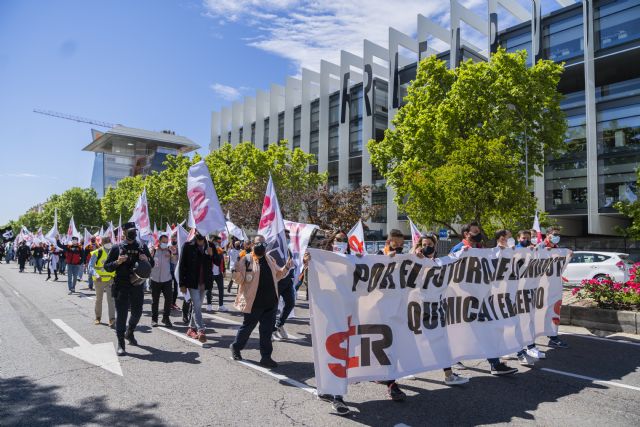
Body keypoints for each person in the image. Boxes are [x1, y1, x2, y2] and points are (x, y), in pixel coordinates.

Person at [450, 222, 518, 376]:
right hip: (466, 299)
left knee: (486, 329)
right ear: (466, 234)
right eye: (475, 231)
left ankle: (494, 363)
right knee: (463, 330)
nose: (478, 234)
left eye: (479, 231)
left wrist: (503, 252)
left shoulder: (481, 249)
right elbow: (451, 269)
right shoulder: (458, 249)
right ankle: (454, 358)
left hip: (482, 298)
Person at [412, 233, 470, 385]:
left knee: (440, 339)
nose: (426, 247)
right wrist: (414, 255)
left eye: (429, 244)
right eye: (423, 245)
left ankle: (448, 374)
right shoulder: (415, 260)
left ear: (435, 245)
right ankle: (407, 370)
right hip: (420, 306)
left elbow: (455, 258)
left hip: (437, 306)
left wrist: (464, 250)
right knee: (417, 339)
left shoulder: (440, 262)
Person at [230, 234, 292, 369]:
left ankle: (266, 357)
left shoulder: (269, 259)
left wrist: (286, 267)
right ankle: (236, 347)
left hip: (270, 303)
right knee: (247, 328)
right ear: (253, 245)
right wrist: (234, 270)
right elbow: (239, 280)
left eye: (264, 244)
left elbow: (278, 276)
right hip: (253, 303)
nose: (261, 246)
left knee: (266, 331)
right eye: (258, 243)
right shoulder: (245, 259)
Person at [104, 222, 154, 356]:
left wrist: (146, 259)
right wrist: (117, 262)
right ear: (124, 232)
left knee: (137, 312)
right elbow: (107, 267)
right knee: (122, 314)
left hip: (137, 284)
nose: (133, 233)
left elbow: (152, 264)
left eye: (134, 230)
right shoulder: (117, 247)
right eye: (130, 231)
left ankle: (130, 332)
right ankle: (121, 343)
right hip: (121, 284)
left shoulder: (142, 246)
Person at [514, 230, 547, 363]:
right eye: (524, 238)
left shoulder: (532, 250)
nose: (526, 240)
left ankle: (530, 346)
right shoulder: (515, 251)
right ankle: (519, 349)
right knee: (519, 321)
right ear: (518, 238)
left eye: (528, 238)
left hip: (529, 290)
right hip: (517, 291)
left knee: (529, 319)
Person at [179, 232, 214, 342]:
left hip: (205, 282)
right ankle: (201, 329)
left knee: (197, 306)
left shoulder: (210, 245)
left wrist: (211, 254)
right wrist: (182, 284)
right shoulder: (188, 245)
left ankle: (191, 329)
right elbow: (182, 265)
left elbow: (217, 261)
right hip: (192, 282)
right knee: (197, 305)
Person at [538, 226, 569, 349]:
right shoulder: (539, 248)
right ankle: (530, 341)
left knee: (554, 310)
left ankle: (553, 336)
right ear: (548, 235)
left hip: (554, 286)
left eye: (558, 235)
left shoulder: (558, 250)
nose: (557, 237)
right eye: (555, 234)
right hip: (539, 286)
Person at [150, 233, 177, 328]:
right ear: (159, 241)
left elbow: (174, 262)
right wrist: (151, 254)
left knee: (169, 299)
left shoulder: (169, 251)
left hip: (167, 279)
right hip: (155, 279)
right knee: (155, 301)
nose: (165, 243)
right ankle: (154, 319)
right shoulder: (154, 250)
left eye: (166, 242)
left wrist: (173, 254)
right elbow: (149, 262)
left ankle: (166, 318)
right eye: (163, 242)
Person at [88, 236, 116, 327]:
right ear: (102, 243)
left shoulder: (114, 252)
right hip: (99, 280)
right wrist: (96, 274)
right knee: (99, 300)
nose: (108, 243)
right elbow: (90, 267)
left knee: (111, 300)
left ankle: (112, 319)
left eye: (109, 241)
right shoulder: (97, 252)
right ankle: (98, 317)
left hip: (110, 280)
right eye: (106, 241)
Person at [273, 248, 296, 340]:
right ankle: (270, 330)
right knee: (273, 308)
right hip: (276, 281)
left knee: (290, 303)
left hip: (287, 281)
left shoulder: (288, 248)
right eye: (284, 233)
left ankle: (279, 325)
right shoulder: (273, 247)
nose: (286, 235)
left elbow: (294, 261)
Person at [206, 235, 227, 312]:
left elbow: (222, 261)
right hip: (210, 272)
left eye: (219, 242)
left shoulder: (220, 250)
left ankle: (221, 305)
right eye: (217, 242)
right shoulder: (208, 249)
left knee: (221, 289)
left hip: (219, 273)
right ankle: (209, 305)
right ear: (213, 241)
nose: (218, 243)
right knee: (209, 289)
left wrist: (224, 270)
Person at [169, 233, 180, 311]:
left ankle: (173, 302)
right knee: (169, 288)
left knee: (176, 288)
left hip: (176, 270)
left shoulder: (179, 246)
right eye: (172, 238)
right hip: (169, 270)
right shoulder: (168, 247)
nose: (174, 239)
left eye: (175, 238)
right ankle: (169, 303)